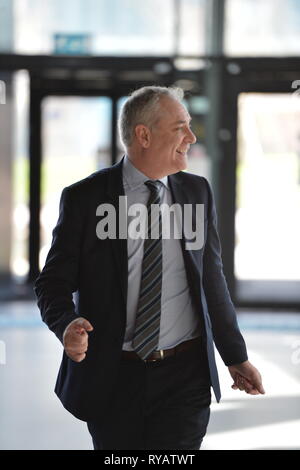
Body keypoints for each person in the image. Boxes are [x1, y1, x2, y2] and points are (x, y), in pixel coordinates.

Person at [35, 85, 265, 450]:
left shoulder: (197, 192)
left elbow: (211, 279)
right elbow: (52, 282)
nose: (191, 137)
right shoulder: (86, 198)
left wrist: (235, 356)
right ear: (144, 135)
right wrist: (66, 324)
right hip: (113, 375)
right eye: (180, 128)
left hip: (184, 377)